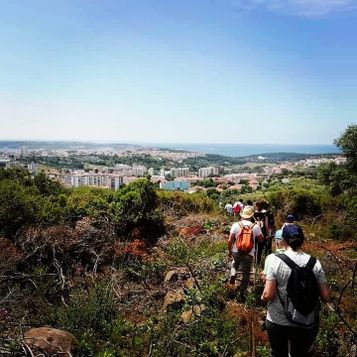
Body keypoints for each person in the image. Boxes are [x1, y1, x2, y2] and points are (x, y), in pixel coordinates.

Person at [261, 224, 331, 357]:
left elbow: (268, 294)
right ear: (303, 240)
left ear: (283, 240)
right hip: (307, 321)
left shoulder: (275, 260)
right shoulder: (315, 262)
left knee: (278, 353)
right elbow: (326, 296)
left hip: (278, 321)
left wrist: (262, 299)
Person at [228, 206, 263, 301]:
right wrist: (258, 229)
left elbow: (230, 240)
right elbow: (261, 240)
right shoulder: (255, 226)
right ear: (252, 215)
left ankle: (233, 273)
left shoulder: (236, 225)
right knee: (246, 274)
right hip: (248, 253)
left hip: (236, 251)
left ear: (242, 215)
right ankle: (242, 293)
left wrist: (229, 251)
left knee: (235, 263)